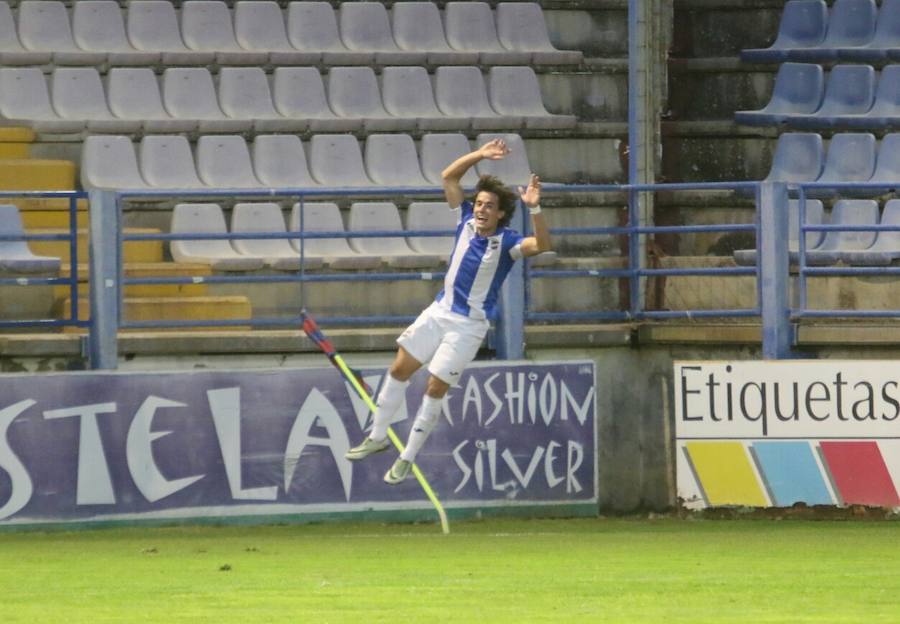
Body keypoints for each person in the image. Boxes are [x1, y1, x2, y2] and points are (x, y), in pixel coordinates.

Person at [345, 138, 551, 484]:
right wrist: (481, 155)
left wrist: (534, 208)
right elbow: (448, 177)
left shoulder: (508, 243)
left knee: (433, 388)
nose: (482, 209)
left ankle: (407, 457)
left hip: (467, 326)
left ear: (501, 213)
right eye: (480, 203)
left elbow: (543, 245)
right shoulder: (466, 221)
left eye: (489, 206)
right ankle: (377, 437)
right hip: (439, 311)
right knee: (399, 368)